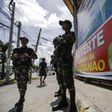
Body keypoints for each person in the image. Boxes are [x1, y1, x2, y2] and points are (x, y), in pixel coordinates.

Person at [52, 20, 78, 112]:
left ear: (69, 25)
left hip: (66, 61)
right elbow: (55, 44)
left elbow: (66, 41)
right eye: (62, 24)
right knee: (61, 82)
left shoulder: (71, 34)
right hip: (59, 62)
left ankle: (73, 106)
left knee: (69, 83)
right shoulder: (62, 36)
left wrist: (58, 39)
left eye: (64, 23)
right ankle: (63, 101)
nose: (62, 25)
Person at [10, 37, 37, 112]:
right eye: (21, 40)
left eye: (24, 40)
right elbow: (12, 58)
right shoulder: (16, 49)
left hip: (24, 70)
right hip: (17, 69)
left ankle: (21, 101)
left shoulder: (29, 50)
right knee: (19, 85)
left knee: (23, 84)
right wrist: (14, 56)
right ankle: (22, 97)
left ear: (27, 42)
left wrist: (28, 56)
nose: (22, 41)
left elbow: (35, 56)